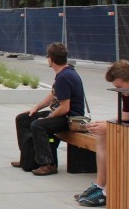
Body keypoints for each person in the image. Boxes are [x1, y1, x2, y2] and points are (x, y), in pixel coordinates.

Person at [75, 60, 129, 207]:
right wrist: (104, 124)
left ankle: (109, 192)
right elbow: (125, 118)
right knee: (102, 134)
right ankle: (100, 185)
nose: (118, 90)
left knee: (119, 141)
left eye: (118, 87)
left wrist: (109, 127)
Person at [13, 42, 85, 176]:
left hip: (70, 118)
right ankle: (26, 158)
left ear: (51, 60)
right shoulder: (65, 71)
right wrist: (36, 107)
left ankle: (48, 164)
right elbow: (53, 94)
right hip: (61, 113)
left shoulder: (64, 77)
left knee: (38, 125)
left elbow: (64, 108)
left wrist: (48, 118)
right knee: (23, 118)